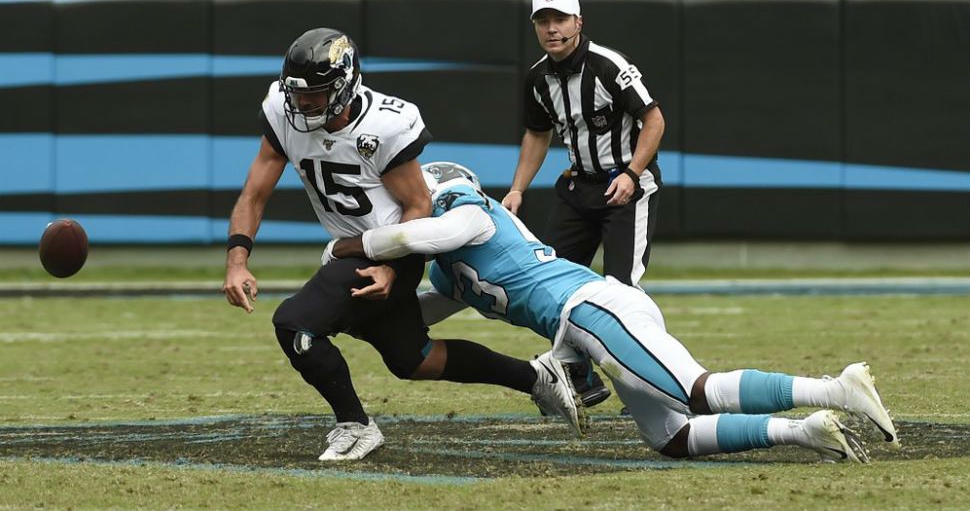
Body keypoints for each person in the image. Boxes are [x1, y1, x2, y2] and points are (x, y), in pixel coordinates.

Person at [325, 162, 900, 463]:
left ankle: (836, 389)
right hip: (589, 325)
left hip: (594, 308)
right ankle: (805, 431)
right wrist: (360, 314)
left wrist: (354, 246)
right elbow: (424, 312)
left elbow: (439, 227)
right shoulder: (449, 270)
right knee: (671, 437)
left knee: (695, 391)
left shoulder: (474, 217)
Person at [221, 30, 583, 462]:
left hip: (396, 246)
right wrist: (237, 261)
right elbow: (254, 193)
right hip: (350, 246)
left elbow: (419, 205)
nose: (303, 105)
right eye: (297, 94)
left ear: (345, 85)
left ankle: (354, 425)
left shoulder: (384, 125)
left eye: (316, 95)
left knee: (295, 325)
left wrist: (392, 267)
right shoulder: (283, 112)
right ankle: (536, 377)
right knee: (414, 359)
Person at [503, 0, 667, 411]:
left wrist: (632, 173)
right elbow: (537, 134)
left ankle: (657, 383)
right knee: (547, 287)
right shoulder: (539, 77)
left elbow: (654, 119)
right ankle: (581, 376)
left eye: (560, 20)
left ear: (579, 22)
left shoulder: (608, 65)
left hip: (626, 186)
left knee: (621, 291)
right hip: (579, 187)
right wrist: (517, 189)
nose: (552, 29)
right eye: (543, 21)